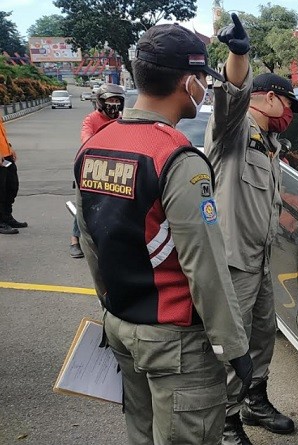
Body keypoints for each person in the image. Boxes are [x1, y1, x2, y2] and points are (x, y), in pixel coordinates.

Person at [74, 23, 252, 445]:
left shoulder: (95, 145)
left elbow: (90, 241)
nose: (206, 87)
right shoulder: (176, 158)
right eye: (204, 79)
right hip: (175, 342)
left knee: (141, 433)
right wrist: (234, 349)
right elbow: (204, 265)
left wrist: (113, 309)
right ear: (188, 81)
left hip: (121, 325)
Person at [204, 13, 298, 444]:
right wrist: (238, 54)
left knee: (264, 333)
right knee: (235, 342)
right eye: (287, 104)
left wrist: (289, 211)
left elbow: (262, 197)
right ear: (264, 98)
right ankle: (226, 423)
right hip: (232, 260)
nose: (290, 114)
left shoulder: (270, 145)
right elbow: (230, 94)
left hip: (259, 257)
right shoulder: (234, 129)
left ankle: (254, 401)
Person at [70, 83, 126, 258]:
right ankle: (74, 240)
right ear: (101, 102)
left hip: (117, 166)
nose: (114, 104)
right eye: (110, 100)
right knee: (87, 204)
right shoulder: (91, 119)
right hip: (93, 166)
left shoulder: (122, 119)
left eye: (117, 100)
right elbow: (87, 139)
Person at [0, 118, 26, 234]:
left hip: (6, 155)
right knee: (1, 191)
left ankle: (7, 217)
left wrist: (9, 147)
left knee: (12, 187)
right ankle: (1, 222)